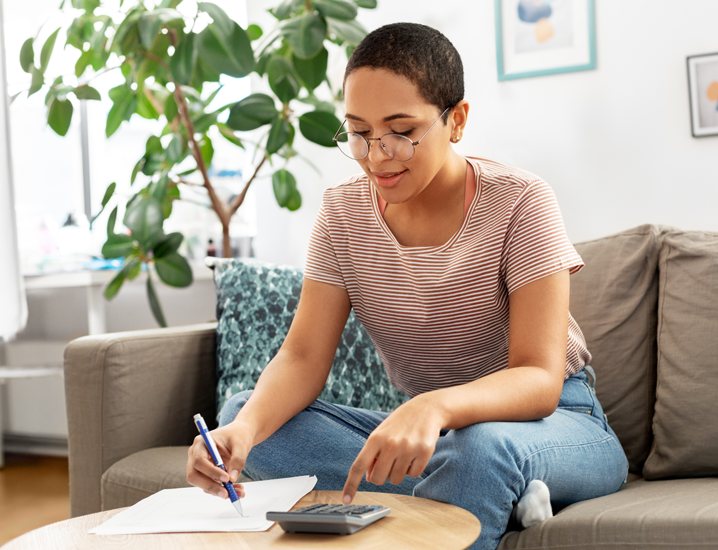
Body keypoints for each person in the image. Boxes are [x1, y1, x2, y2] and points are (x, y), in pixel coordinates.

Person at [185, 22, 628, 549]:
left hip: (557, 426)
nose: (377, 155)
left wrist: (432, 406)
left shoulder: (522, 201)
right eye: (358, 133)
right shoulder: (342, 212)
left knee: (481, 450)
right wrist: (243, 433)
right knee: (245, 415)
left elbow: (539, 379)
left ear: (456, 120)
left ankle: (488, 480)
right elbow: (303, 357)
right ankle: (494, 495)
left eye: (401, 131)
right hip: (435, 439)